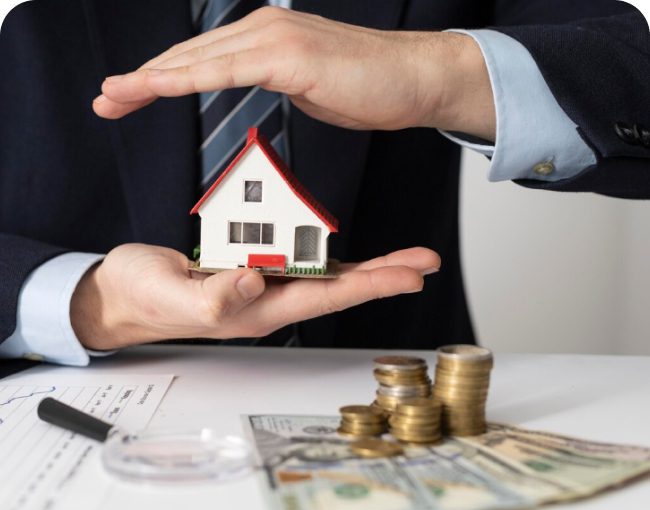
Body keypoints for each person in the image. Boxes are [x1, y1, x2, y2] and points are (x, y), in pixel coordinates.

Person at [1, 0, 649, 376]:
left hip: (391, 402)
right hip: (58, 409)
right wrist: (81, 301)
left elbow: (630, 69)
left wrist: (434, 73)